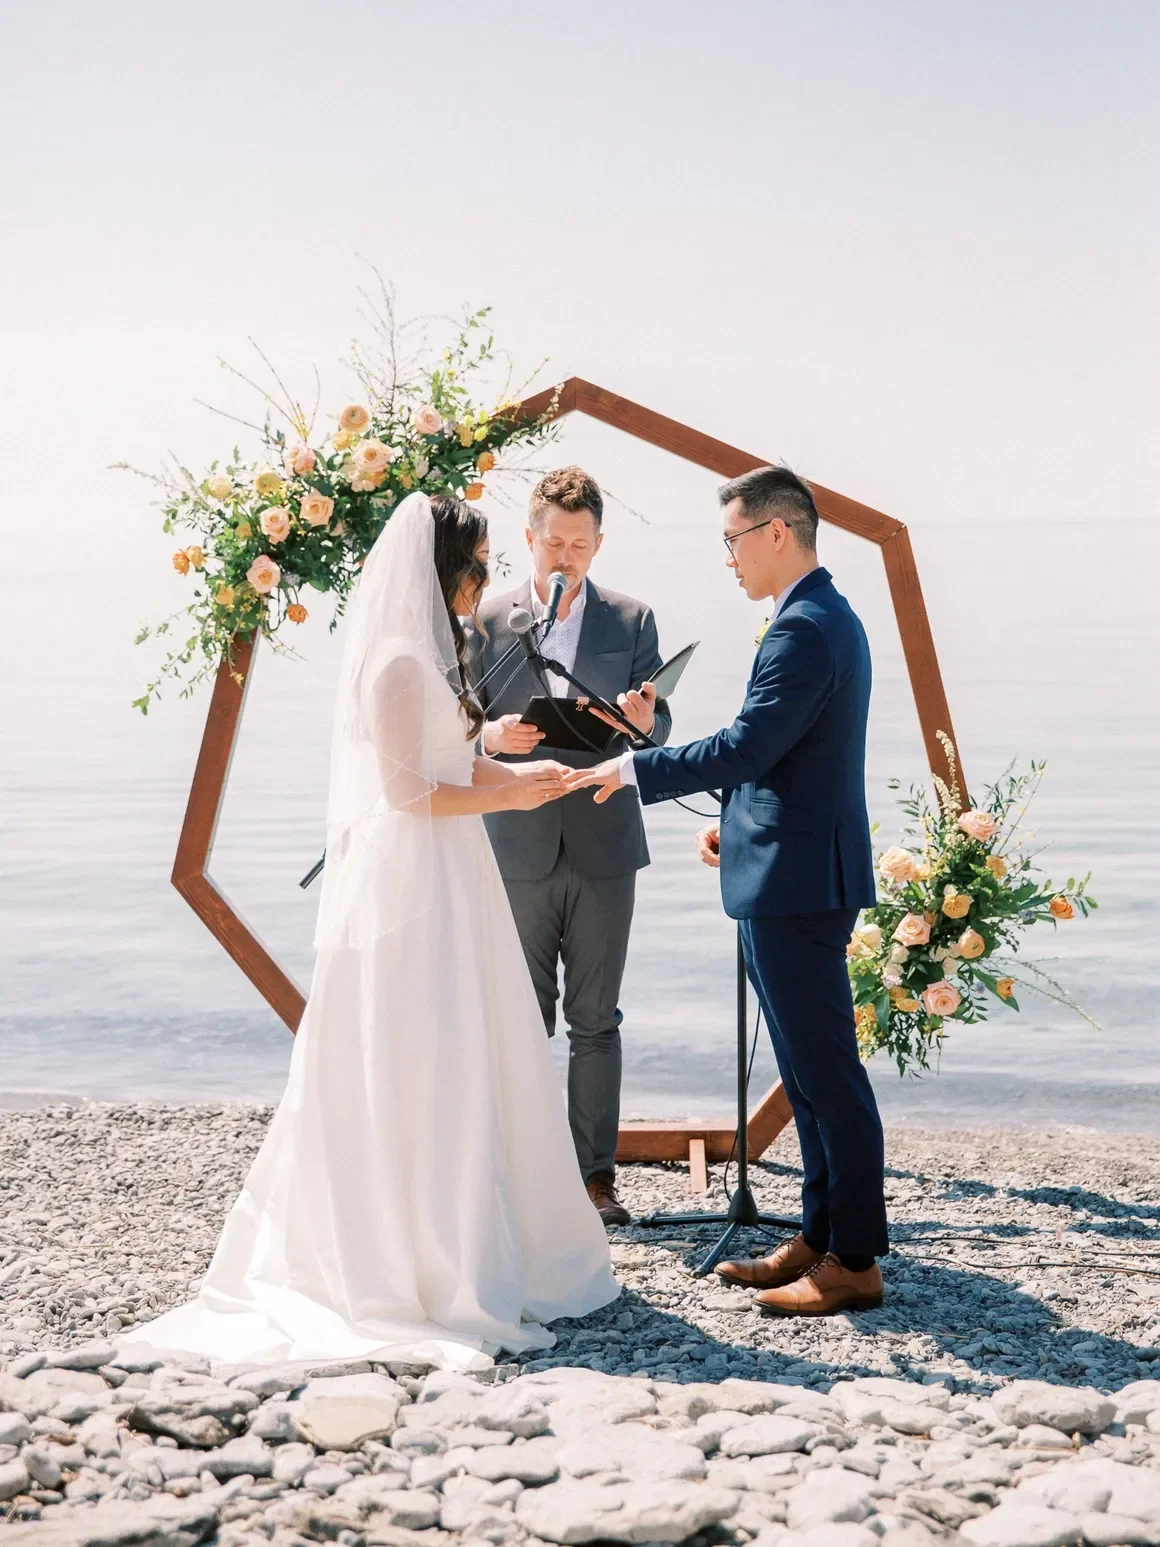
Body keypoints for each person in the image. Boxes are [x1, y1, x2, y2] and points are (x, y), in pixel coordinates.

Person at [123, 492, 619, 1368]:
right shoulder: (395, 662)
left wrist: (518, 770)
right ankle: (407, 1252)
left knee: (470, 1047)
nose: (482, 581)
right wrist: (506, 790)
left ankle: (486, 1230)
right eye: (474, 565)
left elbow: (444, 762)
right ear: (441, 569)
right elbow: (407, 795)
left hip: (451, 869)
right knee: (413, 1051)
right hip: (410, 881)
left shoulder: (432, 652)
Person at [564, 466, 888, 1316]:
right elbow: (784, 759)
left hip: (801, 886)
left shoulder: (807, 628)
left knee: (828, 1074)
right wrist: (737, 823)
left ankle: (855, 1259)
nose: (728, 561)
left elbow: (747, 745)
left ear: (777, 533)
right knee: (808, 1071)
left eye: (732, 541)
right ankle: (819, 1235)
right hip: (787, 867)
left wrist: (634, 768)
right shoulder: (812, 616)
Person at [469, 467, 671, 1228]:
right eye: (552, 541)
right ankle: (518, 1174)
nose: (565, 556)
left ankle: (594, 1179)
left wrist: (641, 720)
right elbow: (457, 722)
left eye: (579, 545)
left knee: (597, 1020)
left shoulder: (632, 617)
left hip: (604, 841)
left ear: (598, 544)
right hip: (514, 841)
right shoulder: (488, 619)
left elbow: (662, 726)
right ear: (528, 537)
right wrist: (491, 734)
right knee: (519, 1019)